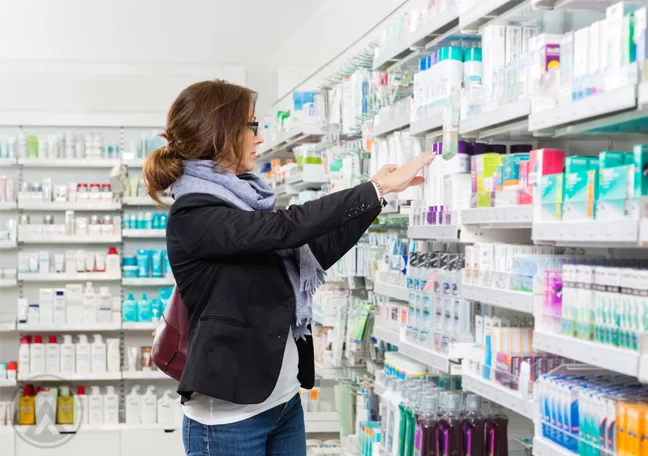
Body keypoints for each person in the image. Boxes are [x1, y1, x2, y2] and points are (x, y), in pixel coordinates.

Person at [143, 79, 433, 456]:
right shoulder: (193, 212)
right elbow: (284, 229)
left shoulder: (245, 202)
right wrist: (372, 187)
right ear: (222, 132)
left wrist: (379, 199)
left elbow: (315, 249)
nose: (258, 138)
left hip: (282, 404)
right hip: (230, 418)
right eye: (251, 126)